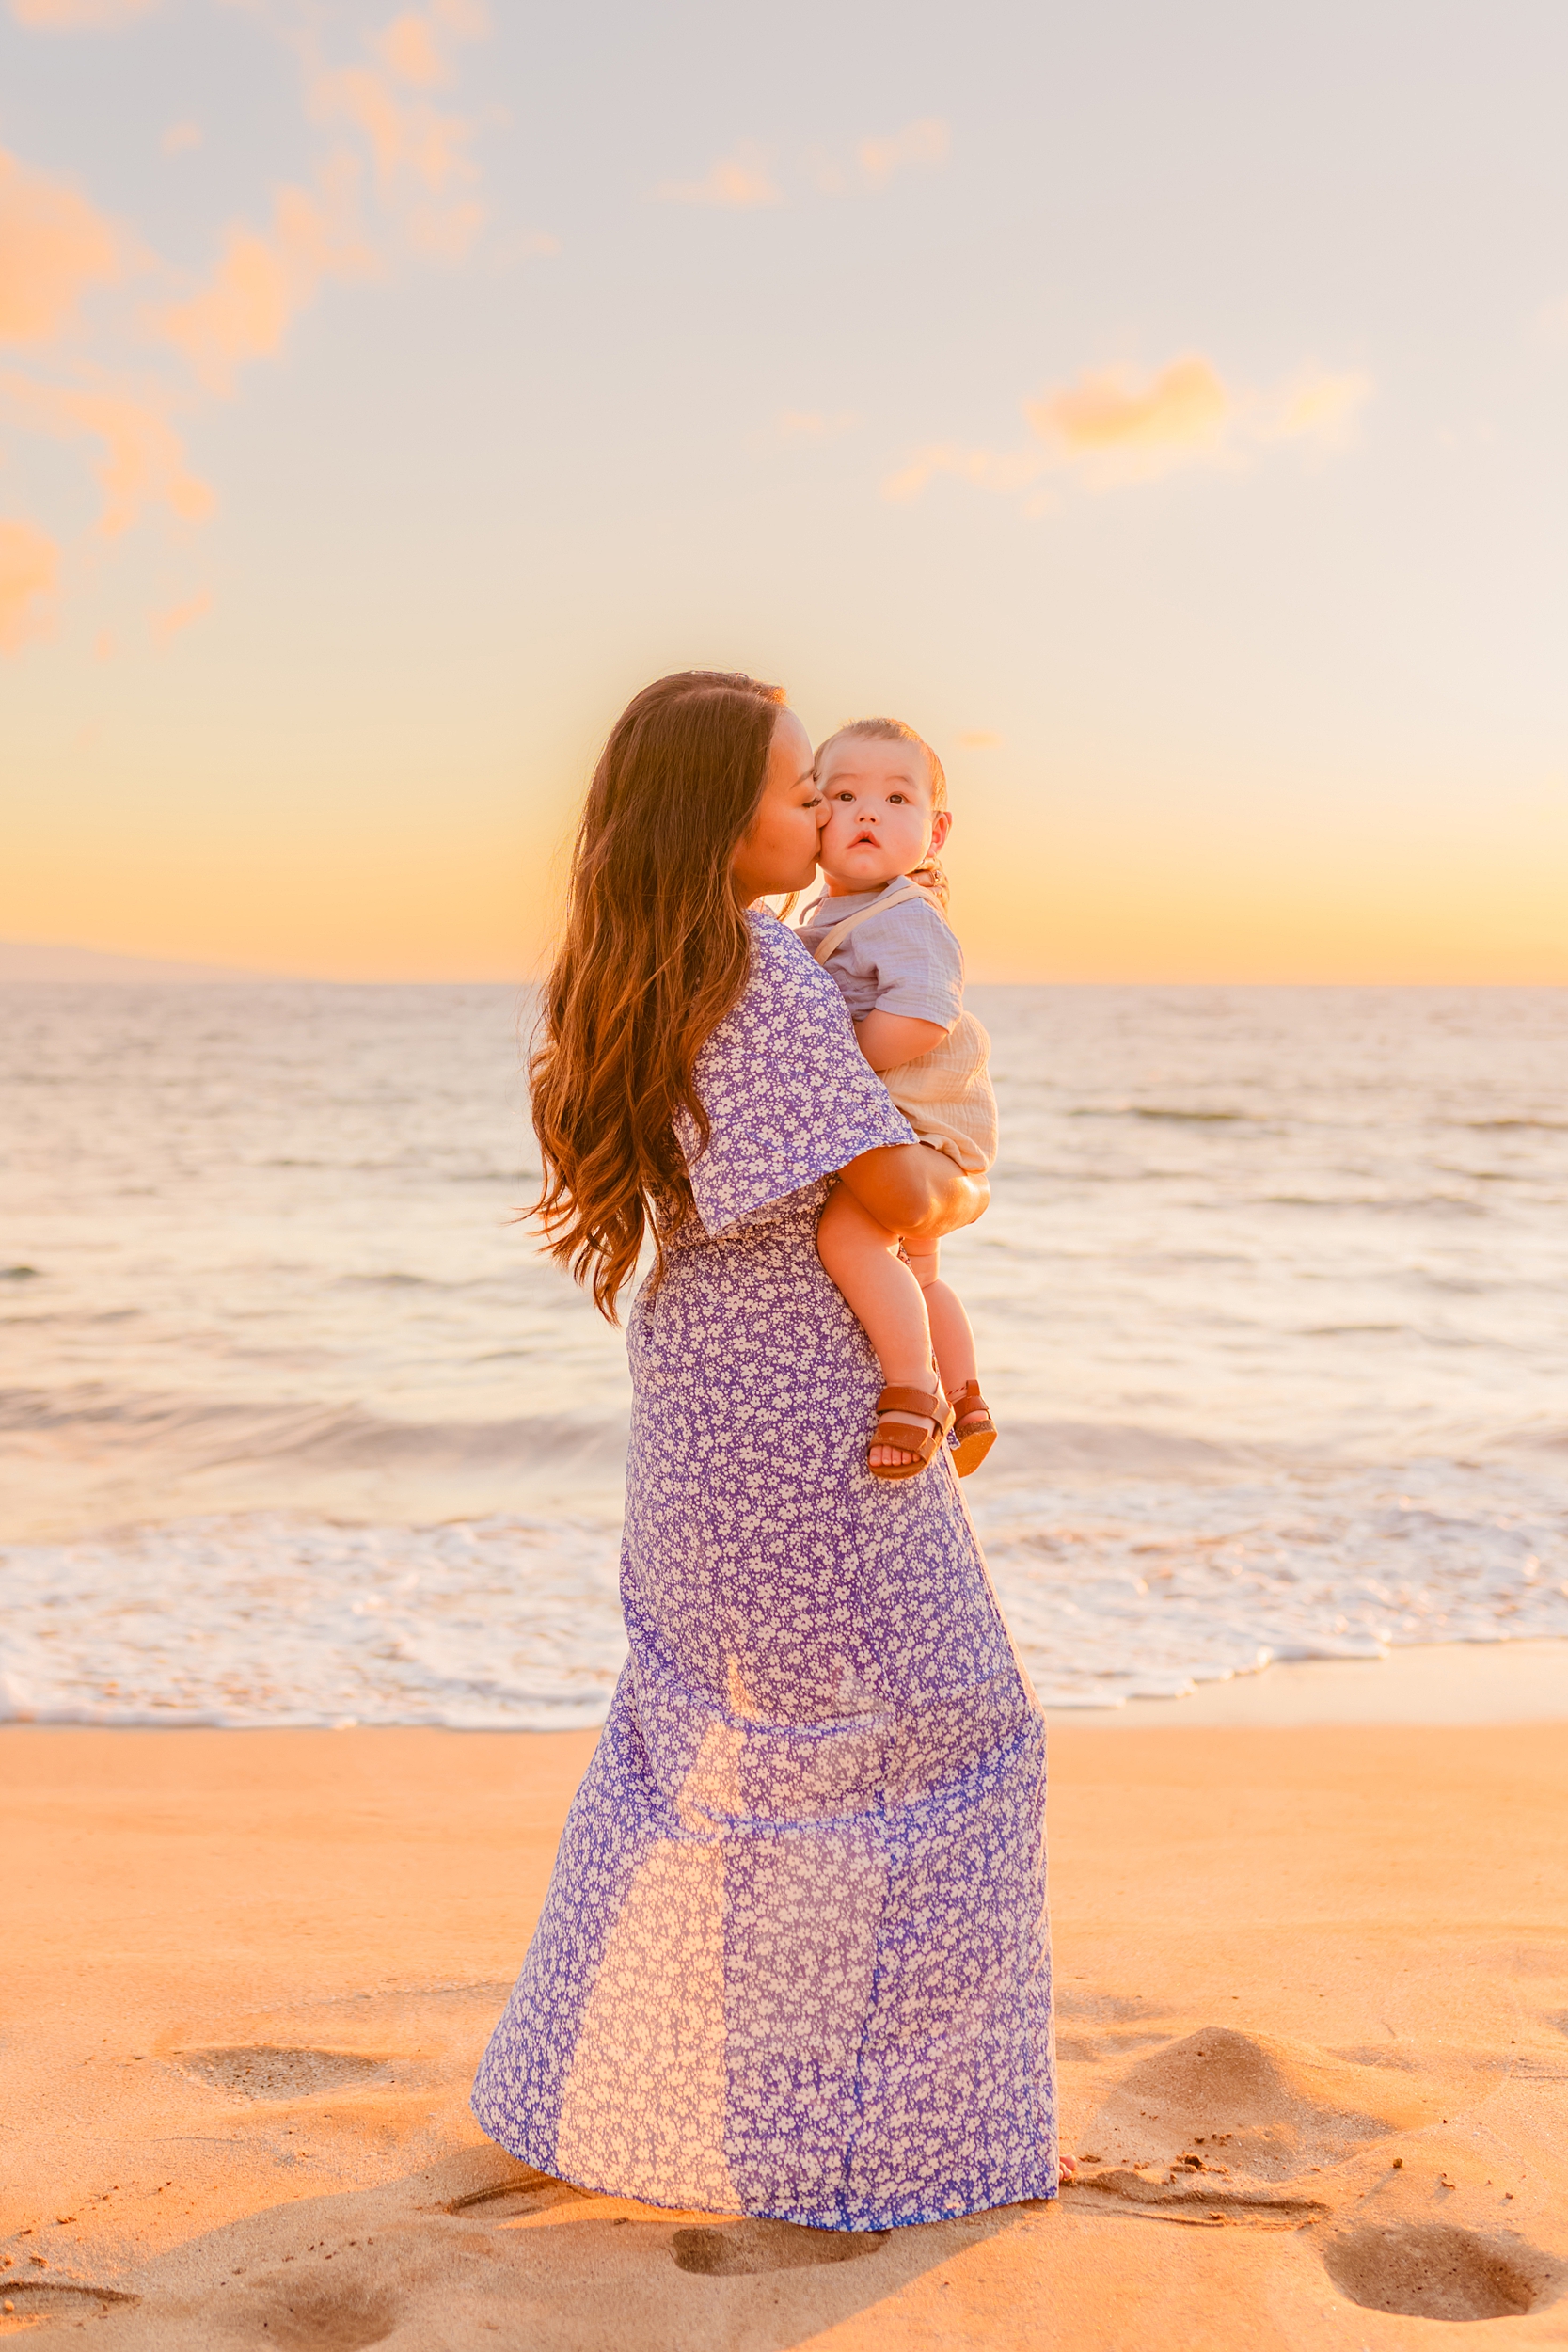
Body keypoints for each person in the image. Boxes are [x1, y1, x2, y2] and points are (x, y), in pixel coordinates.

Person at [471, 671, 1059, 2230]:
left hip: (699, 1391)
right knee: (961, 1739)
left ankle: (578, 2101)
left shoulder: (648, 965)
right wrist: (963, 1174)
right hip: (805, 1396)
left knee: (692, 1741)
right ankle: (894, 2151)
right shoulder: (765, 971)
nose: (820, 817)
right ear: (716, 809)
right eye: (801, 789)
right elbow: (906, 1194)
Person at [799, 718, 999, 1482]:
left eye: (894, 797)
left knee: (847, 1243)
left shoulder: (904, 915)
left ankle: (912, 1387)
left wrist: (835, 1072)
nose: (866, 813)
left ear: (935, 830)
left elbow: (920, 1017)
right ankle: (967, 1392)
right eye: (841, 795)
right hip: (912, 1122)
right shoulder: (831, 915)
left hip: (917, 1121)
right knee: (915, 1274)